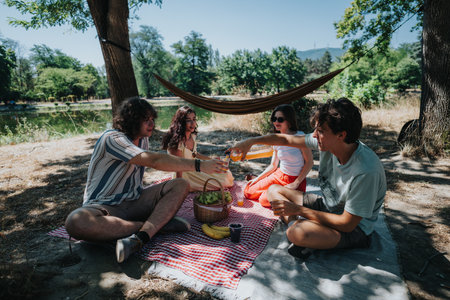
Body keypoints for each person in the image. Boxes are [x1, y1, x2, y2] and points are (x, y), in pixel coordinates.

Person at [65, 98, 225, 263]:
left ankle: (141, 236)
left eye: (152, 119)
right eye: (146, 119)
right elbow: (154, 161)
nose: (151, 124)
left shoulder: (143, 139)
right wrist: (200, 165)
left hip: (135, 201)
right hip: (104, 207)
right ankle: (153, 226)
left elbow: (159, 161)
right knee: (75, 222)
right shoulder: (112, 138)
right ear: (132, 120)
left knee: (181, 184)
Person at [230, 98, 386, 259]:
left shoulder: (366, 171)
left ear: (341, 135)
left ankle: (303, 234)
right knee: (273, 190)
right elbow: (285, 139)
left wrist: (298, 210)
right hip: (327, 205)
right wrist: (250, 142)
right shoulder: (327, 141)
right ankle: (303, 230)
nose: (314, 135)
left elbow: (347, 223)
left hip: (354, 229)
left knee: (297, 233)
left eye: (320, 131)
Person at [243, 104, 313, 208]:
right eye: (274, 119)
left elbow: (309, 163)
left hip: (294, 179)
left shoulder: (300, 137)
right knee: (248, 191)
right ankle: (274, 191)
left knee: (263, 200)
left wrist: (296, 183)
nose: (276, 122)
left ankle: (282, 195)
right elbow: (273, 165)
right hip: (279, 175)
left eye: (280, 119)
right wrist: (257, 178)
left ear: (289, 121)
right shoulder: (275, 138)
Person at [162, 105, 234, 191]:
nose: (193, 123)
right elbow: (179, 167)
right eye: (188, 120)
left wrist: (212, 160)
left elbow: (195, 154)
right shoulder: (177, 142)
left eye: (194, 119)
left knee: (226, 173)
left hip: (196, 167)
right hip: (186, 175)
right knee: (223, 182)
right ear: (181, 122)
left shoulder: (192, 136)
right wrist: (179, 187)